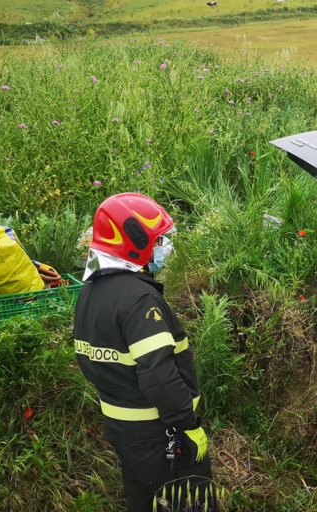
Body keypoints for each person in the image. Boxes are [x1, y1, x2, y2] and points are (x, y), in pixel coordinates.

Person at [73, 192, 216, 512]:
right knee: (188, 503)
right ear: (133, 242)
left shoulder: (90, 292)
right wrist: (187, 426)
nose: (163, 248)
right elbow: (158, 376)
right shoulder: (138, 300)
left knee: (145, 501)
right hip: (160, 432)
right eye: (158, 240)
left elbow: (89, 359)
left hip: (124, 432)